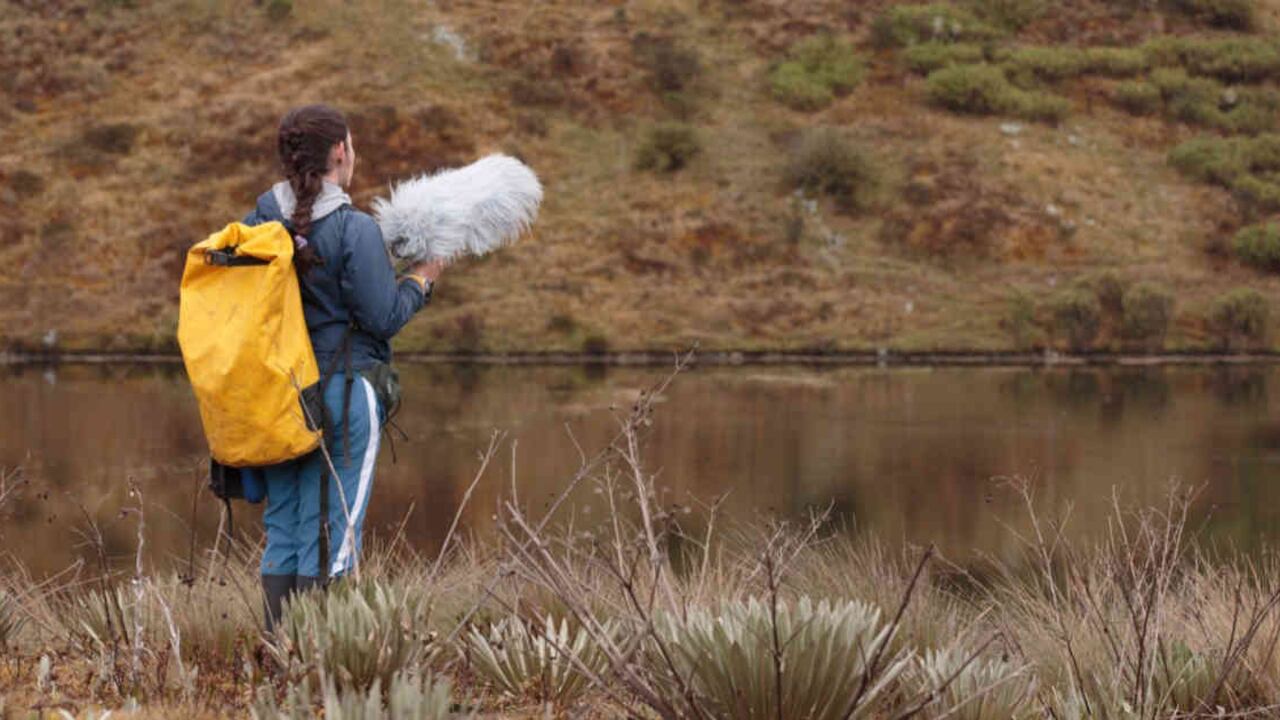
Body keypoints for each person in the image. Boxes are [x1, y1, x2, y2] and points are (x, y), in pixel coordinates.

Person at [240, 104, 445, 630]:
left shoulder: (258, 221)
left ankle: (279, 648)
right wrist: (421, 279)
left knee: (285, 525)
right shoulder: (354, 229)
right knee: (335, 529)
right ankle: (319, 654)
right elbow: (382, 317)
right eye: (351, 145)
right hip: (343, 395)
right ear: (339, 153)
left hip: (279, 399)